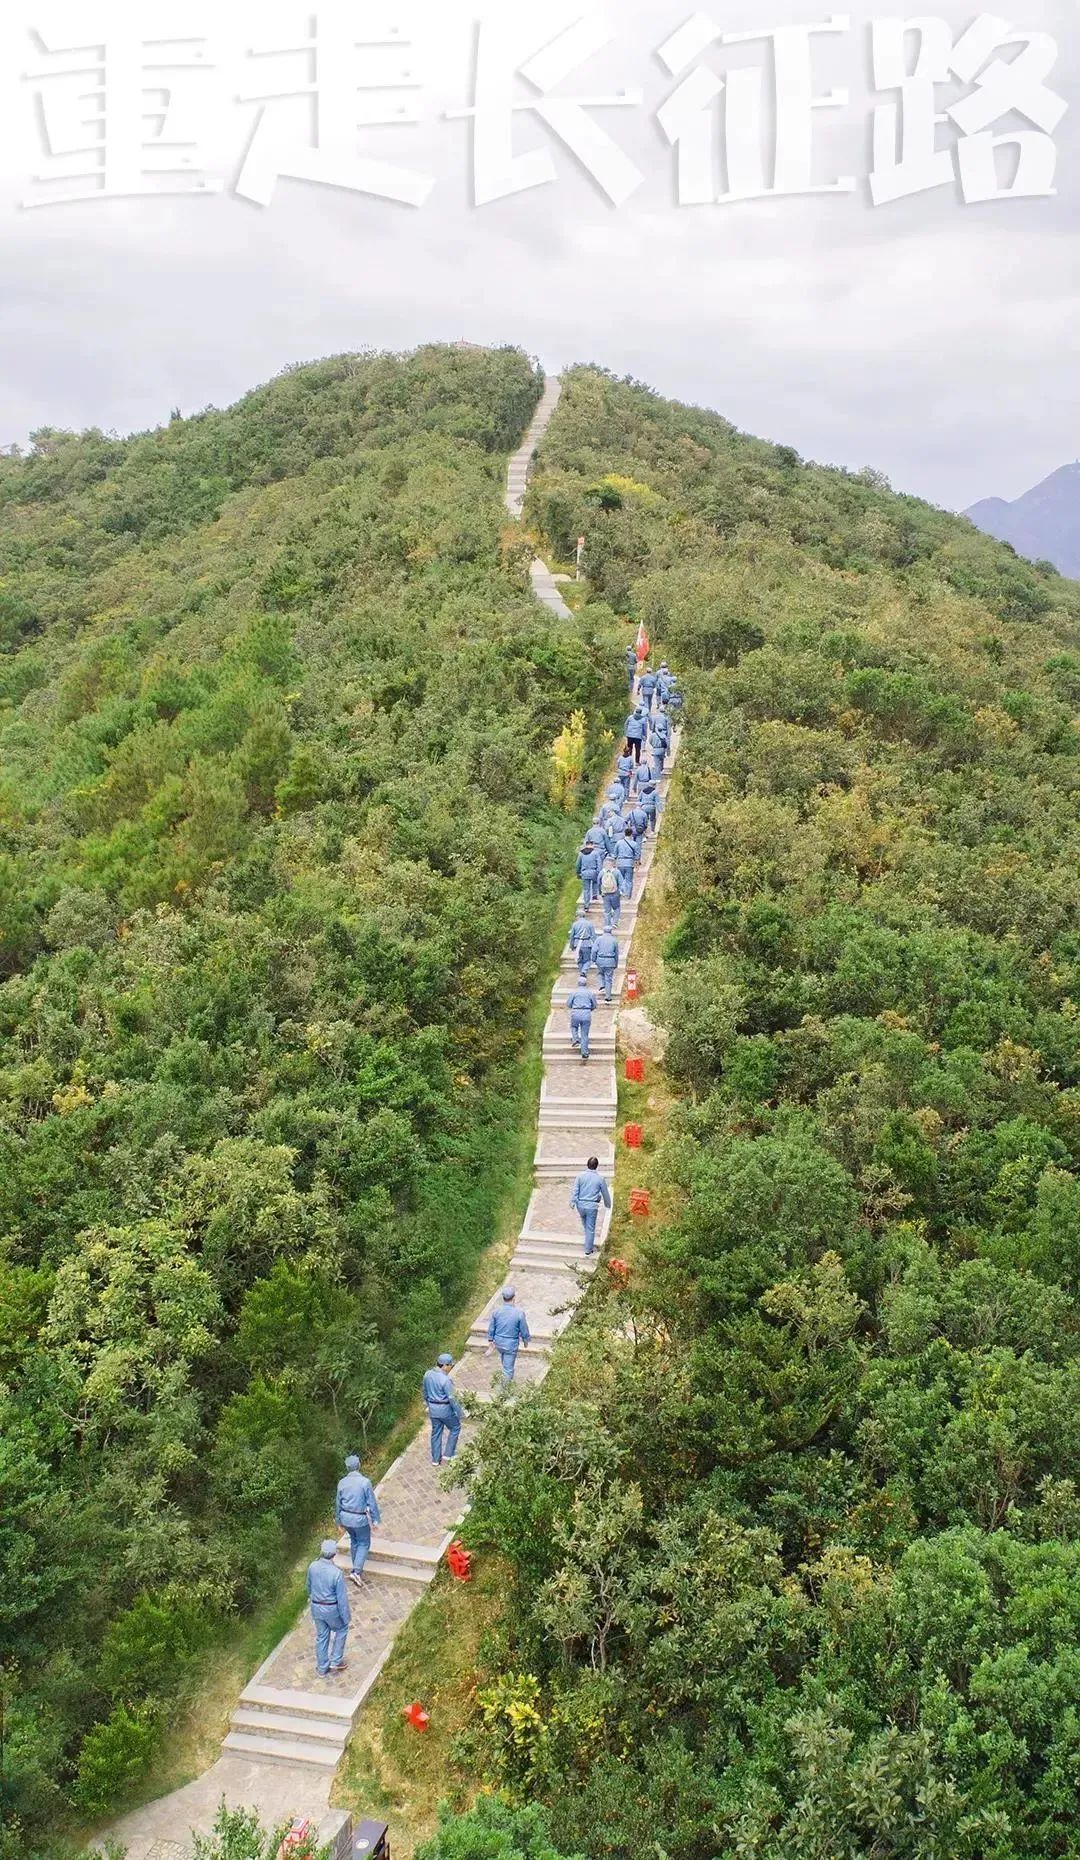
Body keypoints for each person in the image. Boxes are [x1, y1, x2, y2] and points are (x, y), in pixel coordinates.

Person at [335, 1454, 381, 1588]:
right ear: (359, 1465)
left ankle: (356, 1566)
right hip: (359, 1519)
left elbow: (338, 1503)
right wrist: (375, 1520)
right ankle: (356, 1571)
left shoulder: (342, 1482)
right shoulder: (365, 1482)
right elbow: (371, 1502)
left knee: (354, 1541)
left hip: (345, 1517)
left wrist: (338, 1522)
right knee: (364, 1542)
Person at [307, 1538, 351, 1676]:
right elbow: (341, 1599)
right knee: (342, 1629)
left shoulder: (312, 1566)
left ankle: (322, 1667)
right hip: (331, 1608)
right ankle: (336, 1660)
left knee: (322, 1636)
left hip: (316, 1607)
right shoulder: (336, 1573)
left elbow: (308, 1585)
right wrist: (345, 1616)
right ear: (334, 1554)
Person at [423, 1354, 463, 1465]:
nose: (451, 1367)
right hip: (445, 1409)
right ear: (444, 1365)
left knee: (436, 1433)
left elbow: (425, 1391)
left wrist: (428, 1403)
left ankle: (435, 1459)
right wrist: (460, 1413)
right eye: (450, 1365)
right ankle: (448, 1454)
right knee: (455, 1427)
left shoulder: (427, 1374)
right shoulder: (445, 1380)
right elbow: (452, 1398)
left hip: (433, 1409)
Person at [487, 1286, 531, 1381]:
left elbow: (492, 1327)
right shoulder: (519, 1313)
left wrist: (490, 1339)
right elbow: (524, 1329)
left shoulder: (496, 1311)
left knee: (505, 1362)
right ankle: (504, 1391)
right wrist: (526, 1340)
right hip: (510, 1345)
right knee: (508, 1370)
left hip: (499, 1342)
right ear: (514, 1298)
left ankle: (505, 1379)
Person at [570, 1157, 612, 1256]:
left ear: (587, 1165)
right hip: (592, 1206)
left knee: (585, 1224)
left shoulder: (580, 1176)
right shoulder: (600, 1179)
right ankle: (588, 1249)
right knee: (590, 1228)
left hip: (580, 1205)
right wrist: (608, 1204)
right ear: (596, 1166)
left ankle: (588, 1240)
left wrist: (573, 1202)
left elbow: (575, 1190)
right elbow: (605, 1193)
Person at [566, 978, 597, 1064]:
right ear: (585, 984)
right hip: (586, 1013)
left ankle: (575, 1039)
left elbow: (568, 1004)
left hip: (576, 1012)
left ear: (578, 983)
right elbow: (594, 1005)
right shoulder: (589, 993)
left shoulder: (574, 992)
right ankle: (584, 1053)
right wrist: (589, 1009)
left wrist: (574, 1006)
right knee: (584, 1034)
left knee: (573, 1026)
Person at [593, 927, 619, 1003]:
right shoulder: (614, 940)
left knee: (600, 973)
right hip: (610, 961)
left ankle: (602, 985)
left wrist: (594, 959)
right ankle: (608, 996)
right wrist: (616, 963)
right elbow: (616, 954)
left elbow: (594, 950)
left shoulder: (598, 939)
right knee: (609, 979)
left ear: (603, 931)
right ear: (611, 931)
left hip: (600, 960)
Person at [576, 840, 603, 910]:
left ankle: (586, 905)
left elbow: (578, 864)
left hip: (584, 873)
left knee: (586, 889)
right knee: (595, 883)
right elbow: (599, 864)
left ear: (586, 845)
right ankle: (594, 895)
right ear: (592, 845)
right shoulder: (595, 853)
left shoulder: (581, 854)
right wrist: (599, 872)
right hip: (593, 872)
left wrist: (578, 872)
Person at [615, 830, 640, 898]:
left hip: (620, 863)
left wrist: (615, 863)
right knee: (629, 880)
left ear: (624, 834)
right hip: (629, 863)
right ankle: (628, 895)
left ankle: (621, 892)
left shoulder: (618, 843)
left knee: (620, 879)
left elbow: (615, 854)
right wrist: (637, 865)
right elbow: (637, 856)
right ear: (631, 834)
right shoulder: (634, 844)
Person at [599, 859, 621, 930]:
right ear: (613, 864)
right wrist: (620, 892)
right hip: (615, 894)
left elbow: (599, 883)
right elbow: (621, 882)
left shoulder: (602, 872)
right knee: (616, 908)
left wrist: (600, 892)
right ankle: (615, 923)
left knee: (607, 910)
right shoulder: (616, 872)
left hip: (605, 894)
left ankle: (607, 924)